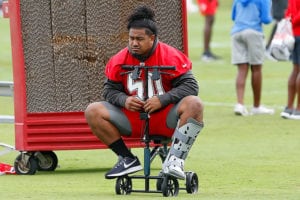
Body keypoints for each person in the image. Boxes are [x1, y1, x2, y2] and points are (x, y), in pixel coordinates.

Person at [85, 5, 204, 180]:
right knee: (93, 110)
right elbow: (109, 90)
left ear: (152, 38)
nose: (134, 43)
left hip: (164, 118)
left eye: (139, 39)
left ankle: (175, 160)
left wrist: (163, 99)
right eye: (131, 38)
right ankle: (126, 158)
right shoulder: (119, 59)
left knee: (195, 103)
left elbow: (191, 87)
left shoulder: (171, 56)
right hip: (133, 119)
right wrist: (124, 100)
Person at [231, 0, 275, 116]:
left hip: (237, 33)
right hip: (254, 32)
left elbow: (233, 16)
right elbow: (266, 19)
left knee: (242, 69)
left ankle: (240, 105)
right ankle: (256, 106)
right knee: (256, 69)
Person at [280, 0, 300, 119]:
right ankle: (298, 109)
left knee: (295, 70)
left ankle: (289, 108)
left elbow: (288, 14)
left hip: (293, 35)